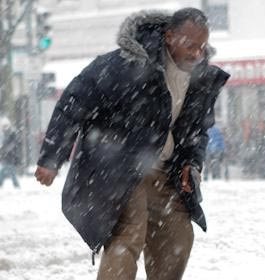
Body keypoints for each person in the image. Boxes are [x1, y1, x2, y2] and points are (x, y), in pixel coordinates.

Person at [34, 8, 229, 280]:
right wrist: (51, 158)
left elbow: (197, 131)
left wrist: (191, 162)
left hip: (164, 173)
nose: (197, 53)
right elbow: (73, 103)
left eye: (202, 46)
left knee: (177, 236)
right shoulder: (124, 65)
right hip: (118, 167)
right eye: (190, 45)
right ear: (170, 37)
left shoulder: (200, 79)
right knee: (129, 232)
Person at [0, 118, 20, 188]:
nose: (4, 127)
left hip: (11, 155)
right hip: (6, 156)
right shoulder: (4, 133)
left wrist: (6, 149)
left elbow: (13, 143)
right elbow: (3, 144)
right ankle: (16, 185)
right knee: (5, 171)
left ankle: (16, 185)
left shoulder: (12, 133)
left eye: (5, 125)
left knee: (9, 171)